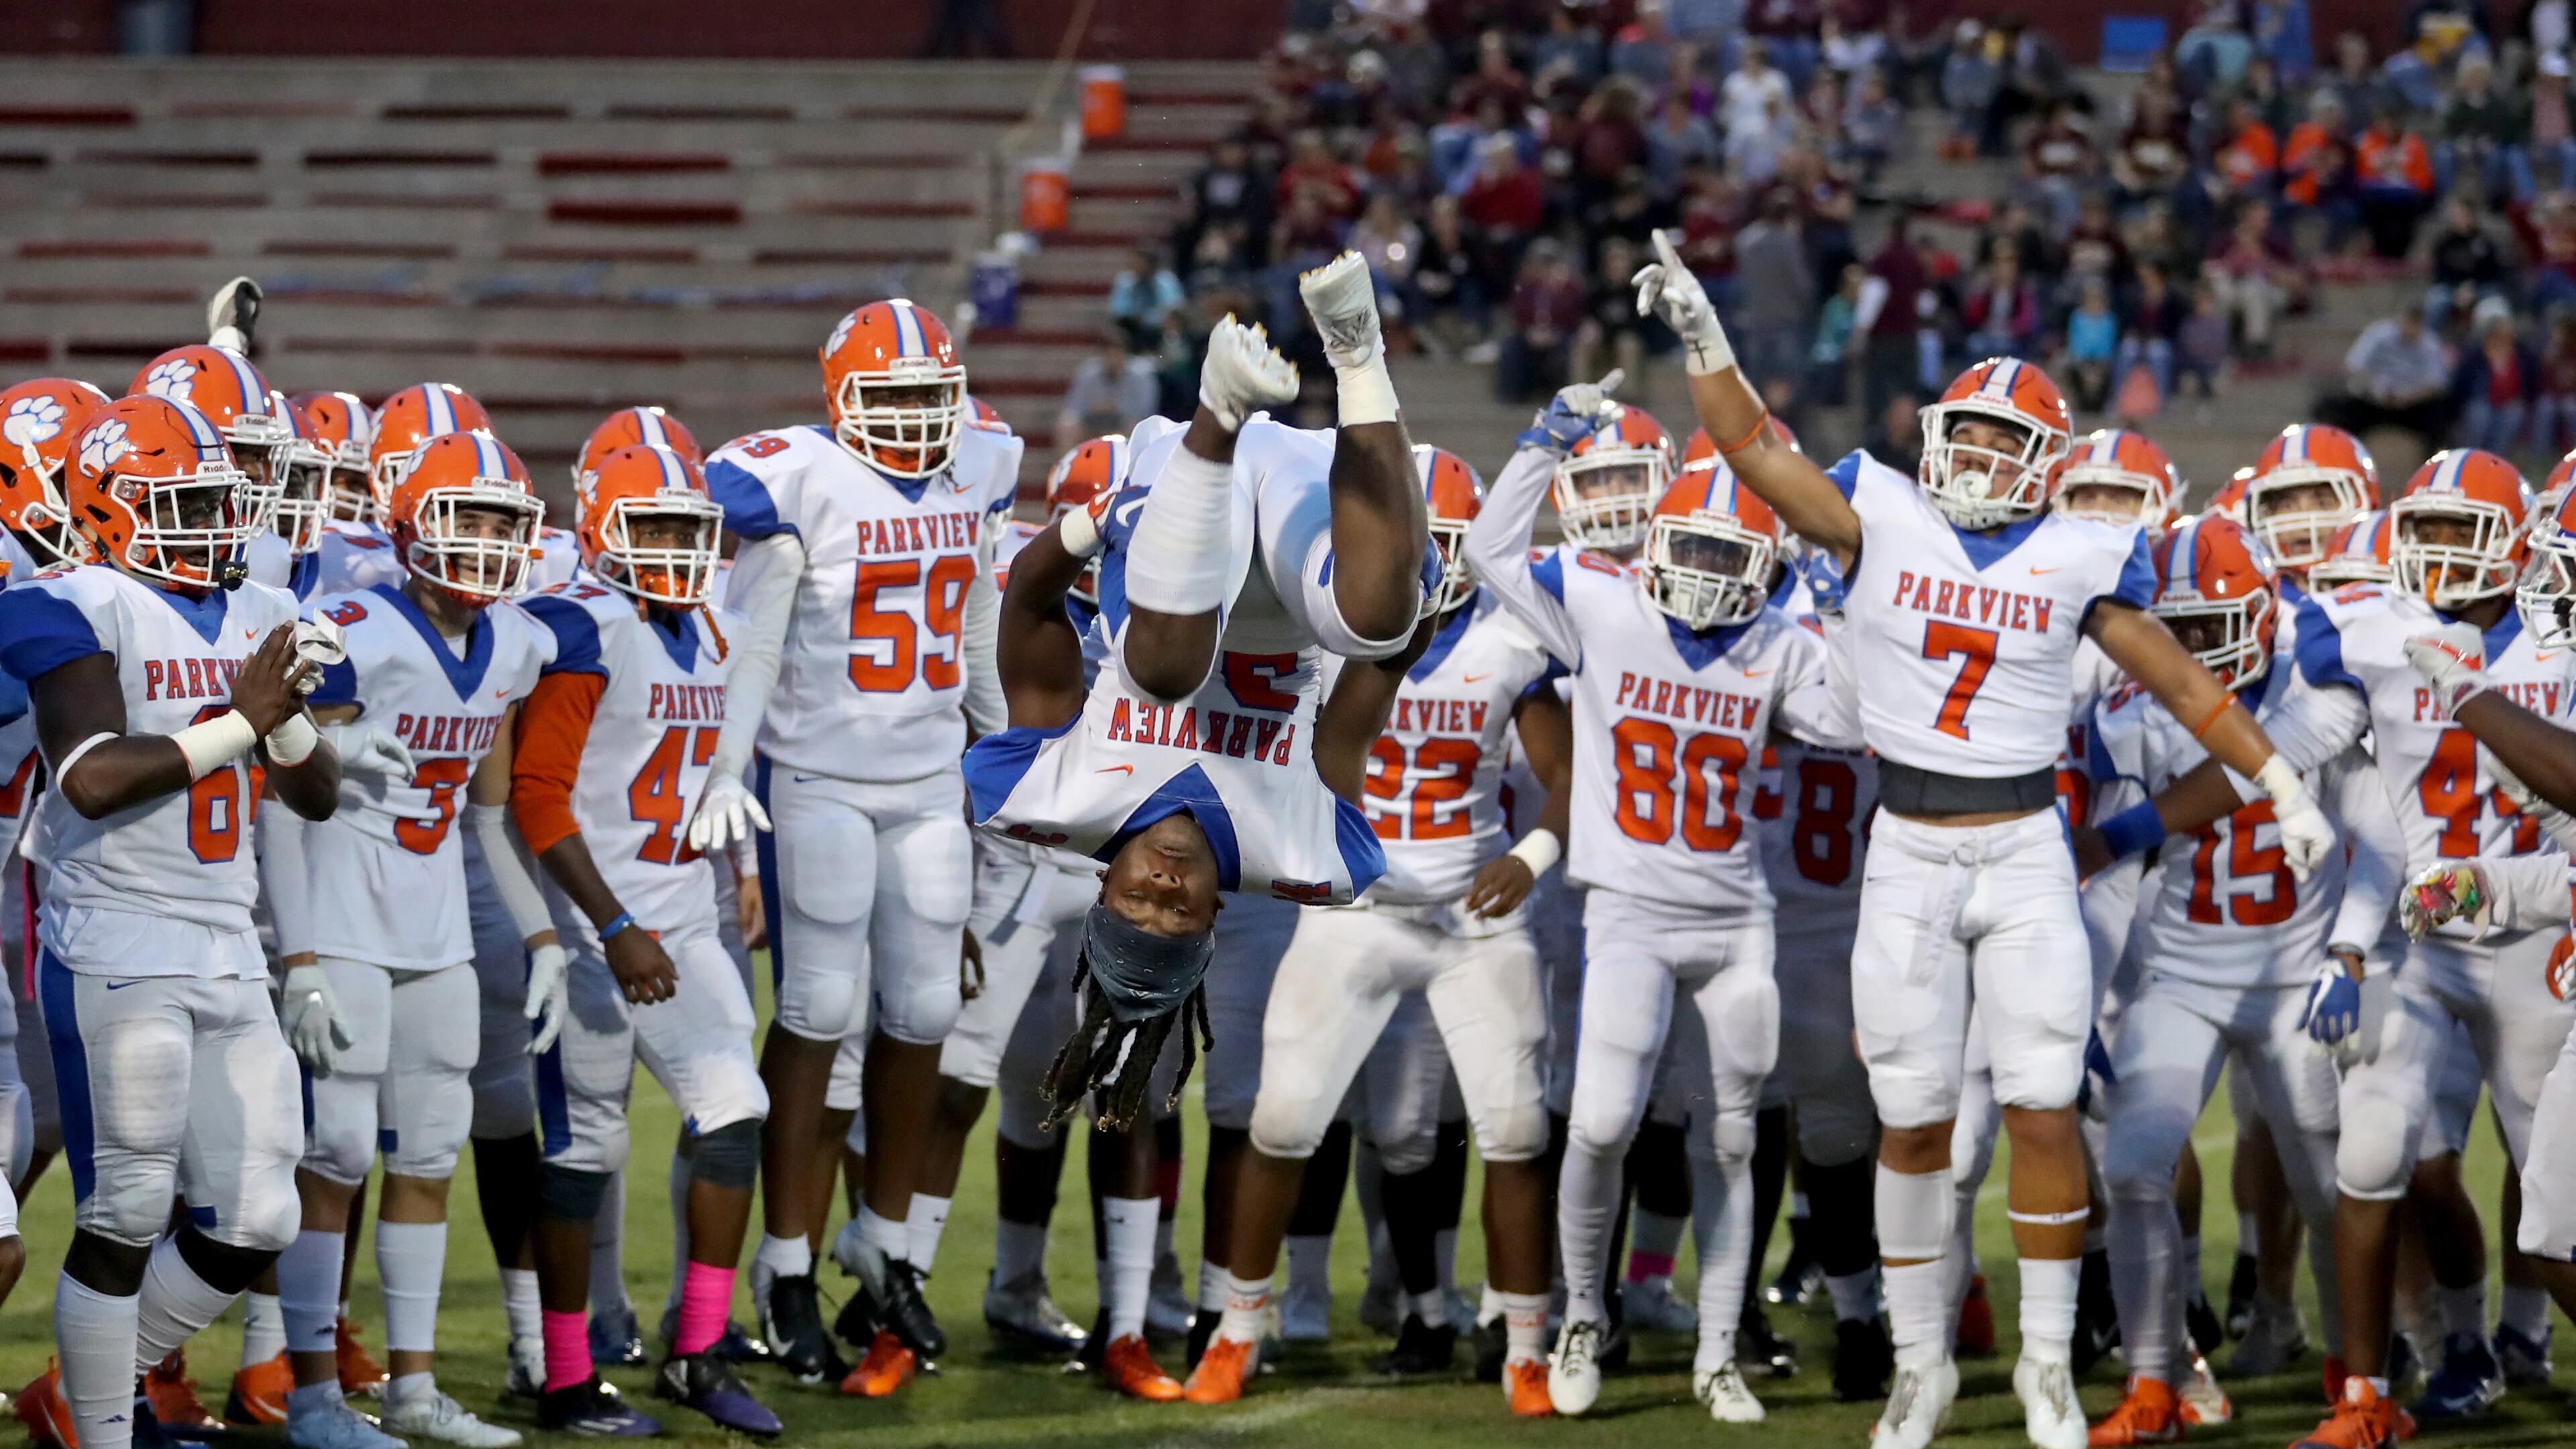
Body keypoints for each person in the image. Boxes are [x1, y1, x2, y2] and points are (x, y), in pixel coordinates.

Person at [1629, 227, 2333, 1449]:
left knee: (2049, 1104)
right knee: (1911, 1120)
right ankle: (1921, 1369)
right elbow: (1752, 450)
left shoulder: (2079, 551)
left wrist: (2280, 778)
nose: (1986, 455)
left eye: (2012, 440)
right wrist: (1705, 337)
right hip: (1905, 846)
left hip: (2024, 853)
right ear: (1939, 437)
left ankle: (2049, 1365)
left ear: (2046, 462)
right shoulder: (1882, 510)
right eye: (1974, 432)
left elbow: (2174, 677)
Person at [962, 254, 1433, 1403]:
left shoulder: (1054, 798)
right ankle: (1359, 347)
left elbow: (1022, 614)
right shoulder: (1304, 852)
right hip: (1289, 568)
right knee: (1379, 621)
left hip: (1174, 510)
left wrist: (1076, 535)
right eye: (1179, 916)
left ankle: (1220, 404)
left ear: (1105, 886)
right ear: (1214, 921)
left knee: (1166, 674)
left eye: (1137, 905)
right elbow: (1380, 684)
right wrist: (1398, 603)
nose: (1163, 891)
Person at [2100, 448, 2567, 1447]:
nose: (2440, 552)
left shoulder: (2558, 647)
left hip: (2537, 933)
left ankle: (2516, 1333)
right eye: (2426, 529)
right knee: (2375, 1156)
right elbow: (2275, 756)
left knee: (2554, 1205)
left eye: (2461, 530)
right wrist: (2129, 833)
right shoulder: (2373, 634)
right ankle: (2370, 1392)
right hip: (2423, 935)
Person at [1471, 398, 1861, 1423]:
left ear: (1770, 568)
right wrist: (1544, 442)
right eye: (1692, 545)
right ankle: (1584, 1313)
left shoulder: (1778, 640)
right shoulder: (1604, 599)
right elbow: (1487, 548)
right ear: (1655, 539)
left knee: (1729, 1141)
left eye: (1736, 556)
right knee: (1597, 1122)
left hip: (1737, 924)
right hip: (1629, 917)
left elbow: (1858, 719)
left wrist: (1848, 592)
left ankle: (1718, 1350)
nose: (1711, 573)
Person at [0, 394, 342, 1449]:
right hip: (115, 933)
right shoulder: (70, 601)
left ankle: (82, 1384)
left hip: (227, 937)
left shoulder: (253, 606)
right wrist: (246, 717)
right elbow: (93, 778)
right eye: (181, 502)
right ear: (107, 508)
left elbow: (319, 795)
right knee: (127, 1212)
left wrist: (279, 723)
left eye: (217, 503)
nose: (208, 525)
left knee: (258, 1217)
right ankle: (103, 1432)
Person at [693, 298, 1022, 1385]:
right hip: (823, 773)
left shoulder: (978, 471)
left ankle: (879, 1244)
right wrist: (728, 768)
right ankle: (783, 1264)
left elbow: (975, 612)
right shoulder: (796, 474)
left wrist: (997, 734)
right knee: (821, 1008)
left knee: (928, 1006)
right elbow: (756, 630)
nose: (922, 421)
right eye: (896, 400)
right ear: (842, 401)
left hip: (928, 774)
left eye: (935, 399)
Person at [1208, 445, 1568, 1415]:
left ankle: (1526, 1345)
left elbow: (1568, 779)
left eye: (1435, 549)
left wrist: (1529, 858)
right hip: (1352, 910)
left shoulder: (1510, 643)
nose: (1418, 570)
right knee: (1281, 1120)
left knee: (1517, 1129)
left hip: (1470, 916)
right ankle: (1239, 1328)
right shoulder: (1320, 636)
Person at [271, 428, 557, 1449]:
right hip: (344, 918)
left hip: (437, 928)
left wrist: (543, 937)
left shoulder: (517, 643)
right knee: (336, 1153)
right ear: (407, 524)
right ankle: (309, 1395)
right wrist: (297, 953)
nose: (483, 541)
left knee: (428, 1155)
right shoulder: (355, 628)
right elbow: (278, 785)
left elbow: (488, 816)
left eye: (500, 522)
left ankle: (413, 1387)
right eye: (463, 518)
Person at [2082, 516, 2395, 1443]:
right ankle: (2154, 1383)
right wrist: (2089, 991)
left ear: (2261, 618)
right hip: (2183, 970)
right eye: (2173, 634)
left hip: (2300, 973)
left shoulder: (2322, 700)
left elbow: (2380, 843)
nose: (2190, 654)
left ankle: (2358, 1374)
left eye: (2211, 627)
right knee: (2136, 1166)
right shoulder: (2128, 718)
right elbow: (2110, 871)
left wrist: (2349, 954)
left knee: (2333, 1184)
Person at [504, 444, 781, 1435]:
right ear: (600, 528)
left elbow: (710, 770)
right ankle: (564, 1377)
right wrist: (612, 924)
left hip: (684, 908)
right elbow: (537, 796)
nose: (671, 546)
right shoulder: (584, 626)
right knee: (586, 1146)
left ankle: (697, 1353)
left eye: (685, 528)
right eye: (650, 526)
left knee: (736, 1111)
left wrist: (735, 873)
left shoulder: (717, 630)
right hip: (590, 922)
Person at [2318, 308, 2455, 455]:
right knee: (2337, 409)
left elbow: (2436, 385)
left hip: (2412, 406)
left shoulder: (2430, 344)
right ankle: (2338, 455)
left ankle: (2435, 465)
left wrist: (2409, 398)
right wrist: (2375, 390)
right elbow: (2354, 367)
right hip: (2374, 402)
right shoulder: (2378, 334)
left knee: (2440, 416)